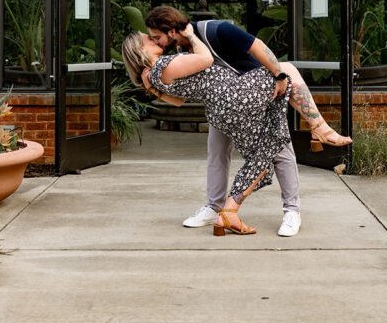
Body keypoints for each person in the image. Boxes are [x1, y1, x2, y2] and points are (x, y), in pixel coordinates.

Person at [143, 6, 351, 236]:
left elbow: (258, 46)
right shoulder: (181, 47)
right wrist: (156, 88)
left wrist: (278, 75)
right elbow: (182, 96)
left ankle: (292, 211)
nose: (158, 43)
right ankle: (215, 207)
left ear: (172, 31)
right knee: (217, 154)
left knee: (280, 151)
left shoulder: (217, 30)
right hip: (223, 107)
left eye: (157, 37)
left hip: (254, 93)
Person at [122, 26, 292, 235]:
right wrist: (191, 34)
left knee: (261, 158)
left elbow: (177, 101)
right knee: (284, 72)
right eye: (149, 38)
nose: (155, 40)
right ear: (140, 49)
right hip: (234, 98)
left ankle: (228, 211)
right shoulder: (164, 65)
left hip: (219, 112)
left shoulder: (150, 78)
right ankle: (318, 128)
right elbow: (206, 59)